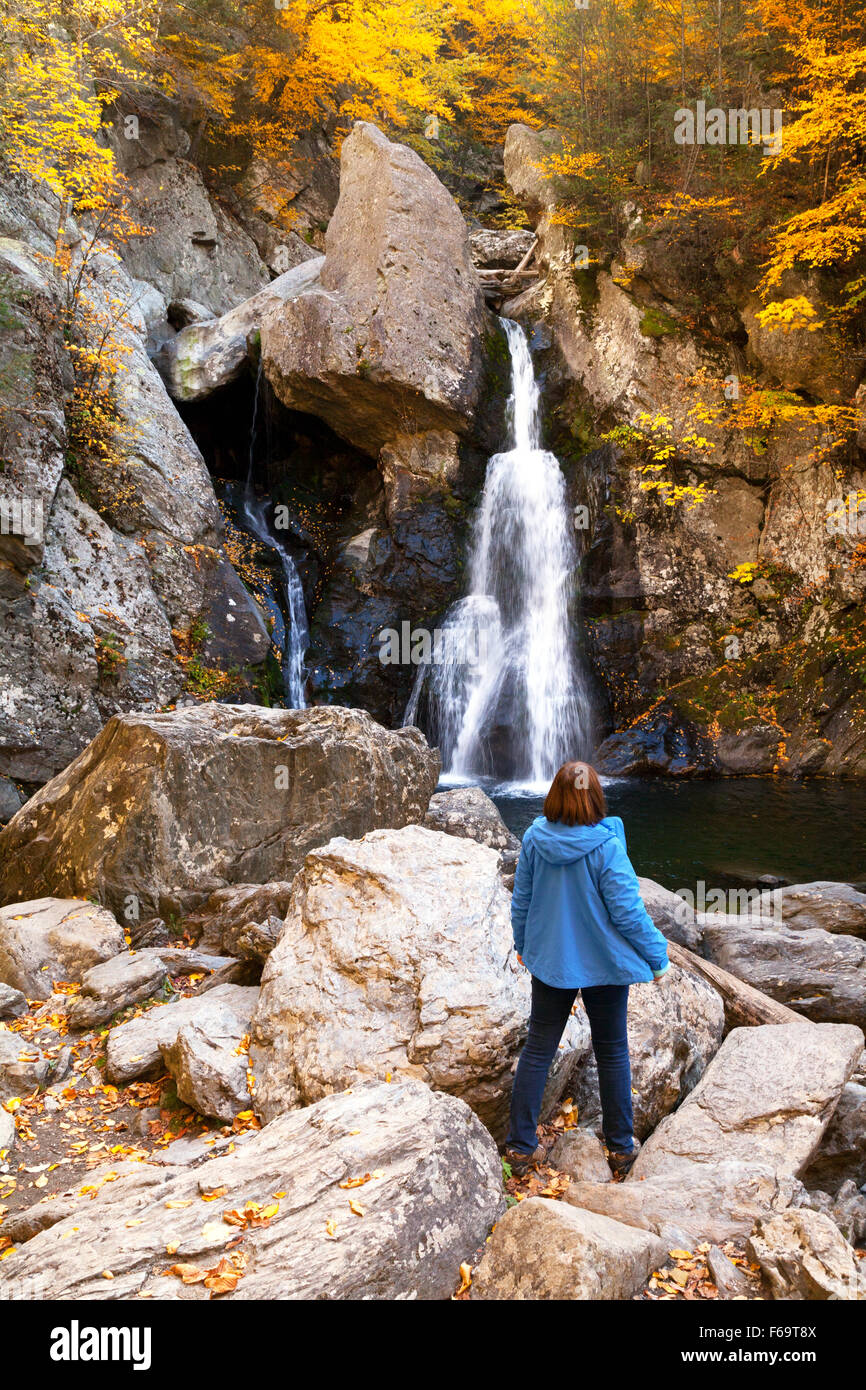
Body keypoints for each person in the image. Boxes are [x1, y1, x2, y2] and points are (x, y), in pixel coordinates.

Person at [504, 760, 670, 1179]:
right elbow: (629, 913)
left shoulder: (534, 839)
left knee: (539, 1049)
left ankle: (520, 1148)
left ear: (555, 795)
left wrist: (523, 945)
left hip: (552, 962)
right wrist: (658, 956)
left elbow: (521, 899)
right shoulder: (606, 847)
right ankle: (619, 1148)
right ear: (595, 796)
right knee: (613, 1050)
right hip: (604, 965)